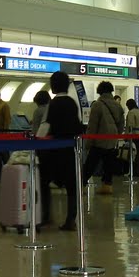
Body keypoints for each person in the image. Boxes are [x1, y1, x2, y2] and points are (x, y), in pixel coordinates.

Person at [44, 71, 81, 231]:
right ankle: (70, 219)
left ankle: (45, 216)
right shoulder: (72, 103)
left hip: (54, 151)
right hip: (71, 149)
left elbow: (47, 126)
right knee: (71, 187)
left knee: (44, 180)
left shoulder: (53, 104)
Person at [82, 81, 124, 195]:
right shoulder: (118, 105)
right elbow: (121, 125)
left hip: (99, 140)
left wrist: (88, 142)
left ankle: (82, 185)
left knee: (91, 163)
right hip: (112, 140)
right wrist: (116, 135)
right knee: (108, 163)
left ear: (99, 91)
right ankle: (107, 186)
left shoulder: (97, 105)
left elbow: (92, 125)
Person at [125, 99, 139, 178]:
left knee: (134, 154)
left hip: (135, 136)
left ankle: (134, 172)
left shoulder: (131, 113)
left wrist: (127, 136)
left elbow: (131, 126)